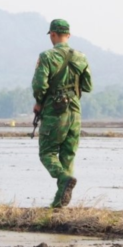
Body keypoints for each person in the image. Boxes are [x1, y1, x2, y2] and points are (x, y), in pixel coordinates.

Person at [31, 19, 93, 208]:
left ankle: (64, 178)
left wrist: (39, 103)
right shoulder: (81, 57)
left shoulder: (47, 56)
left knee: (47, 153)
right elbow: (88, 86)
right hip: (75, 111)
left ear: (53, 34)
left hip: (54, 110)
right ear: (69, 35)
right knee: (68, 155)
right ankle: (59, 201)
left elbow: (39, 85)